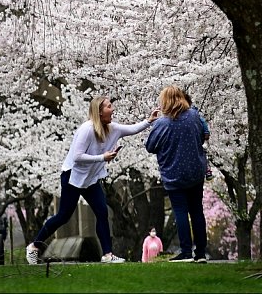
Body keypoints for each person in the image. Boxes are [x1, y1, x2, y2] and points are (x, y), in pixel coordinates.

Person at [26, 95, 161, 265]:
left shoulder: (112, 128)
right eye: (109, 106)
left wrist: (149, 120)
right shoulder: (87, 129)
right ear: (99, 111)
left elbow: (132, 128)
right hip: (73, 176)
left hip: (91, 179)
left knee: (102, 212)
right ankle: (34, 247)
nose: (113, 110)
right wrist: (102, 157)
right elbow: (77, 156)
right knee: (63, 216)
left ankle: (107, 254)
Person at [146, 85, 208, 263]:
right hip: (195, 171)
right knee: (197, 211)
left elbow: (150, 146)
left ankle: (186, 252)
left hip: (174, 173)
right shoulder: (195, 117)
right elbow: (204, 135)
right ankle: (201, 253)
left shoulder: (162, 123)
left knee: (180, 211)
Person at [183, 91, 213, 180]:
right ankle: (206, 169)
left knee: (200, 152)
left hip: (195, 138)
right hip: (193, 138)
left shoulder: (193, 112)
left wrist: (206, 132)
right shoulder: (192, 113)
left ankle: (207, 169)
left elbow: (202, 121)